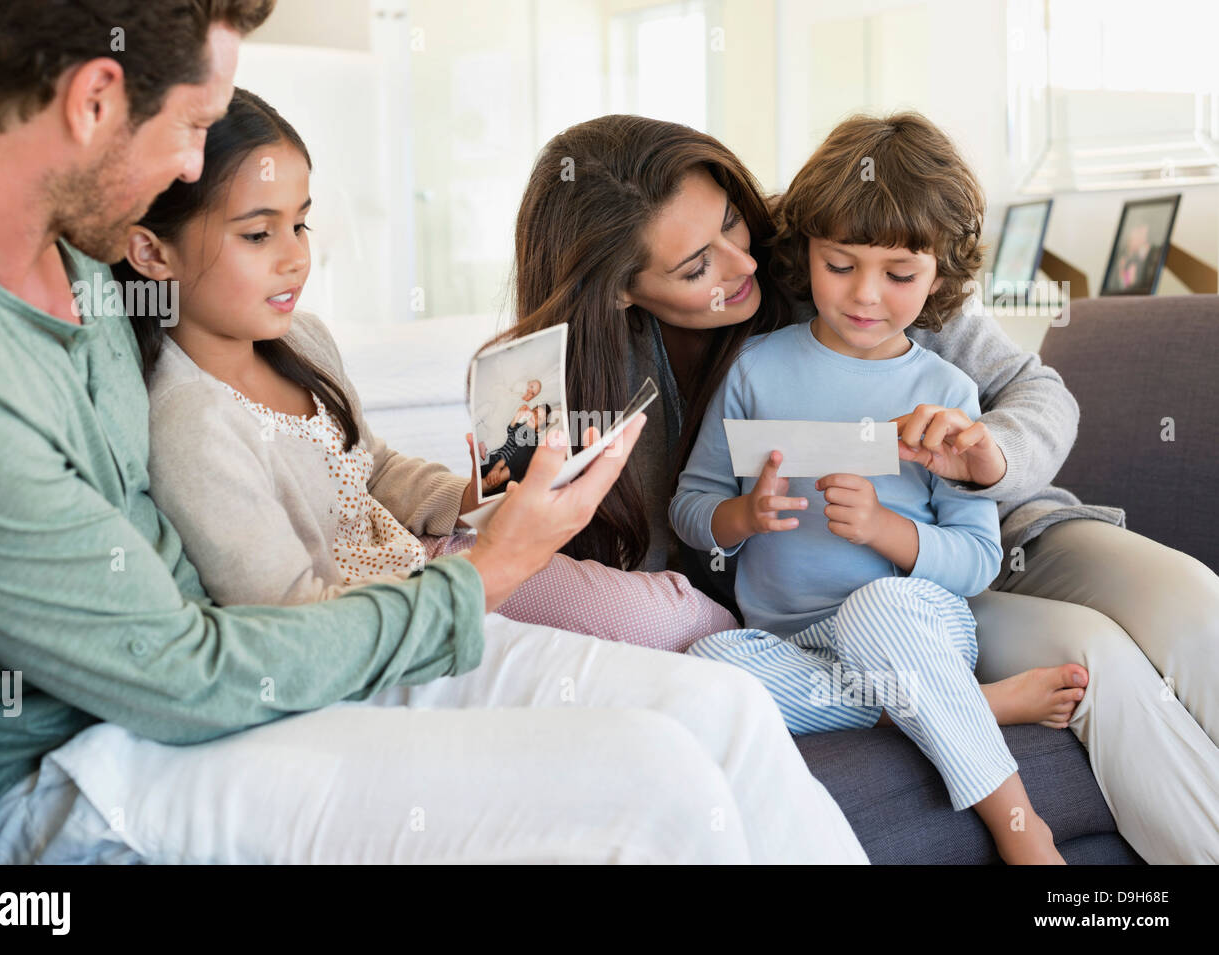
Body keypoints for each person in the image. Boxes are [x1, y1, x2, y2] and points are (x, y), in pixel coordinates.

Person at [0, 0, 867, 864]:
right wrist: (484, 572)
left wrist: (473, 522)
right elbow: (180, 673)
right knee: (653, 780)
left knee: (725, 708)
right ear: (94, 100)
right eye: (196, 127)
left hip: (249, 674)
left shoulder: (79, 263)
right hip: (109, 762)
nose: (190, 166)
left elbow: (325, 464)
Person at [497, 111, 1219, 863]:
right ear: (620, 291)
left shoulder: (845, 243)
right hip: (865, 609)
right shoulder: (601, 390)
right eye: (694, 268)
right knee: (1097, 659)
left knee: (1196, 607)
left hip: (1008, 526)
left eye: (732, 223)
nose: (741, 263)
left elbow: (1035, 392)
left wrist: (987, 456)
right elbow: (662, 553)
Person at [115, 87, 733, 651]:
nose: (296, 258)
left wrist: (470, 496)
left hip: (434, 552)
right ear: (150, 251)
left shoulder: (302, 341)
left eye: (300, 223)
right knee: (681, 625)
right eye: (257, 235)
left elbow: (373, 467)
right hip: (391, 606)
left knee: (691, 617)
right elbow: (291, 621)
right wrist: (485, 561)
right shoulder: (191, 423)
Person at [672, 113, 1073, 863]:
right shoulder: (756, 370)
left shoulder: (946, 391)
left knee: (875, 607)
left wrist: (887, 532)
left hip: (911, 628)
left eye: (899, 274)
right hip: (792, 643)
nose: (865, 295)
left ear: (940, 277)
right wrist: (741, 515)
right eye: (840, 264)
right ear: (805, 256)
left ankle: (1021, 824)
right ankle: (964, 708)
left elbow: (978, 560)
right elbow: (691, 505)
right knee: (711, 667)